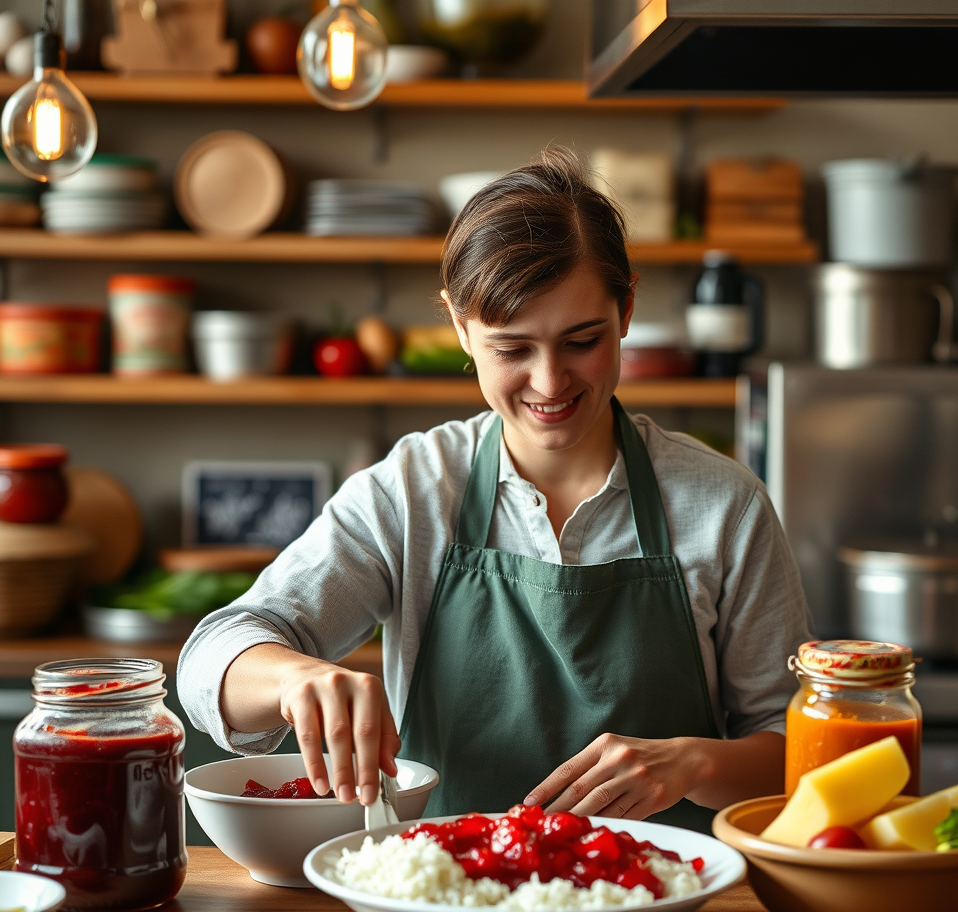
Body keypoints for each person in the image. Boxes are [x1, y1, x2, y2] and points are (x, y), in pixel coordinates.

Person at [178, 148, 813, 831]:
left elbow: (798, 749)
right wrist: (295, 680)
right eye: (512, 349)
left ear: (626, 308)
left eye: (582, 340)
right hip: (441, 903)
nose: (549, 382)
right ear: (460, 328)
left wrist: (697, 764)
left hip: (667, 904)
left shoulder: (724, 504)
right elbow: (213, 655)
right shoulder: (414, 490)